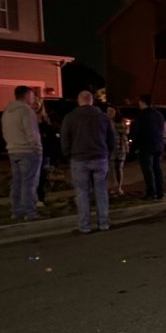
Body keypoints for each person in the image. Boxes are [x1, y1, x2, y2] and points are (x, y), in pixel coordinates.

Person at [61, 91, 115, 233]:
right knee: (101, 191)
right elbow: (111, 138)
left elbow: (65, 138)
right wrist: (107, 153)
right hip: (100, 157)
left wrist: (67, 154)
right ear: (91, 101)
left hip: (79, 158)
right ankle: (103, 222)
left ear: (79, 101)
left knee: (82, 192)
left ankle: (84, 225)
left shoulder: (70, 117)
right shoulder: (103, 117)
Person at [1, 86, 42, 220]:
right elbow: (32, 132)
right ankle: (30, 212)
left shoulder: (7, 112)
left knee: (17, 181)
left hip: (13, 150)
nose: (33, 98)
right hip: (27, 151)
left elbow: (5, 132)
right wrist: (37, 148)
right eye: (32, 95)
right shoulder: (26, 111)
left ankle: (16, 210)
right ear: (26, 95)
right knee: (29, 182)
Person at [132, 94, 165, 200]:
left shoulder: (141, 115)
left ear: (142, 102)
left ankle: (151, 192)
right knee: (157, 169)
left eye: (139, 102)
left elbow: (136, 132)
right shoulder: (158, 114)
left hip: (145, 146)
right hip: (158, 145)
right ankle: (160, 191)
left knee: (148, 170)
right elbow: (161, 129)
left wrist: (134, 147)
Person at [32, 96, 59, 207]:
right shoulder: (28, 119)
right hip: (32, 152)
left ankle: (40, 197)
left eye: (37, 103)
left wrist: (51, 156)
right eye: (33, 103)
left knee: (42, 176)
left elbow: (51, 138)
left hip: (44, 152)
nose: (35, 105)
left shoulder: (45, 119)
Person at [107, 105, 129, 196]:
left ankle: (119, 187)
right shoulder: (106, 121)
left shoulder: (121, 122)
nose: (109, 113)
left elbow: (126, 131)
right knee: (111, 168)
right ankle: (113, 186)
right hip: (110, 148)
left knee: (119, 168)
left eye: (111, 111)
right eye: (108, 111)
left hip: (120, 147)